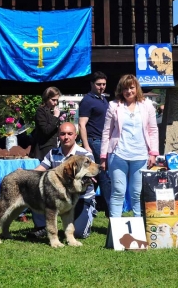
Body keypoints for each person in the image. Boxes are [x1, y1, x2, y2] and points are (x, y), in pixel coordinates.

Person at [100, 74, 158, 218]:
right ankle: (115, 228)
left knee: (137, 193)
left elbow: (153, 130)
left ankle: (138, 226)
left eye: (131, 87)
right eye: (125, 88)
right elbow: (106, 131)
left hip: (140, 155)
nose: (129, 91)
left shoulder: (147, 105)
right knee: (118, 191)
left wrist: (153, 153)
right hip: (118, 154)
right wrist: (103, 156)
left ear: (137, 88)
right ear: (121, 90)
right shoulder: (113, 106)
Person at [27, 122, 97, 239]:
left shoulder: (86, 155)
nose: (66, 137)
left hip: (81, 199)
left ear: (76, 135)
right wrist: (25, 173)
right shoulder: (53, 153)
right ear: (58, 136)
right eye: (63, 134)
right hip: (60, 197)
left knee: (79, 233)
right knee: (37, 193)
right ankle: (43, 227)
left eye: (70, 134)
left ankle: (89, 211)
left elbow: (89, 182)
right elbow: (39, 170)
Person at [77, 71, 110, 216]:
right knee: (104, 176)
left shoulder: (103, 99)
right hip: (94, 141)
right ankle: (112, 213)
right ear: (92, 84)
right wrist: (86, 146)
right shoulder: (87, 100)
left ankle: (84, 207)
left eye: (104, 84)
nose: (101, 87)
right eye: (98, 84)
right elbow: (81, 124)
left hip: (105, 141)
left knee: (93, 177)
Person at [32, 86, 62, 161]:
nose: (55, 103)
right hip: (44, 148)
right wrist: (55, 117)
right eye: (53, 100)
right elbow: (46, 130)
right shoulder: (41, 111)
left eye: (57, 100)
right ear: (47, 98)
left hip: (54, 146)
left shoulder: (52, 111)